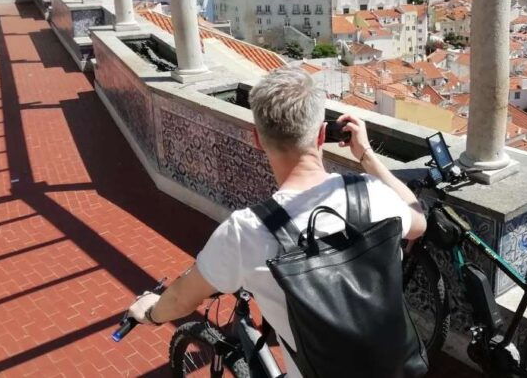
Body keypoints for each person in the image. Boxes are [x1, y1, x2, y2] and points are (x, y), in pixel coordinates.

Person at [126, 67, 426, 376]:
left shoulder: (245, 231)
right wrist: (366, 155)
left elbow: (179, 300)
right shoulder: (372, 193)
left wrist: (150, 311)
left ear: (258, 139)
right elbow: (418, 221)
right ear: (323, 134)